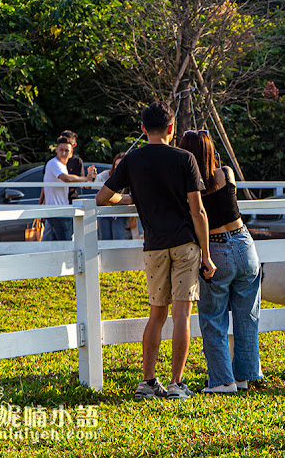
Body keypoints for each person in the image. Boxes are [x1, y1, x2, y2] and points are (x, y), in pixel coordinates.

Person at [95, 102, 216, 400]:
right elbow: (197, 211)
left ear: (143, 129)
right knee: (182, 316)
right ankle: (176, 383)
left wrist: (129, 199)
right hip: (185, 244)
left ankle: (148, 381)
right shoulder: (184, 158)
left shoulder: (132, 160)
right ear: (172, 129)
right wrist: (206, 254)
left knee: (156, 315)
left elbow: (102, 197)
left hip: (154, 246)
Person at [179, 130, 262, 393]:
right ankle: (244, 377)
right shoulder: (225, 172)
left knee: (213, 318)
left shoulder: (190, 184)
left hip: (216, 249)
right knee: (247, 317)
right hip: (245, 243)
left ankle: (223, 381)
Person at [41, 136, 97, 241]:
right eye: (61, 150)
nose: (63, 153)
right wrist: (86, 178)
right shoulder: (54, 163)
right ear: (56, 150)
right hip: (58, 211)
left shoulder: (62, 165)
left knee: (49, 243)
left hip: (60, 210)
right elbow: (66, 178)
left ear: (71, 152)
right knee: (66, 242)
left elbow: (80, 184)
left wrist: (89, 178)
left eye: (66, 150)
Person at [95, 153, 129, 240]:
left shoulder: (130, 177)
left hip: (119, 213)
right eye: (116, 165)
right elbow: (94, 180)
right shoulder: (107, 174)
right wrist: (91, 176)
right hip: (104, 212)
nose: (117, 168)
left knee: (119, 238)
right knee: (104, 239)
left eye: (120, 165)